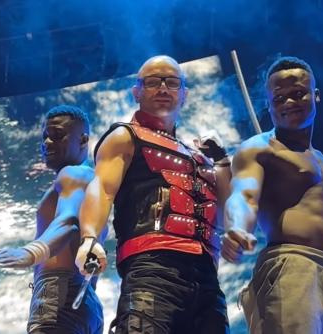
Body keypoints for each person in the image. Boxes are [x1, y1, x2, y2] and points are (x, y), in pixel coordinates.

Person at [75, 55, 232, 334]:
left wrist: (222, 164)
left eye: (172, 83)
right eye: (152, 82)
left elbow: (225, 214)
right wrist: (89, 237)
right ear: (137, 92)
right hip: (152, 269)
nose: (162, 89)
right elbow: (102, 188)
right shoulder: (125, 136)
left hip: (207, 279)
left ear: (184, 94)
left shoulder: (199, 156)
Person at [221, 56, 323, 333]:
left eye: (297, 94)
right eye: (279, 98)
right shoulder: (259, 148)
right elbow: (244, 195)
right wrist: (237, 228)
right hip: (293, 267)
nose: (288, 103)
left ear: (315, 96)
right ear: (268, 105)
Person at [0, 105, 106, 334]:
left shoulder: (75, 174)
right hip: (85, 302)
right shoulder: (94, 185)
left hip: (58, 297)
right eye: (45, 136)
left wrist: (32, 252)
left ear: (83, 140)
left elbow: (70, 221)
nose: (47, 142)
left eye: (58, 135)